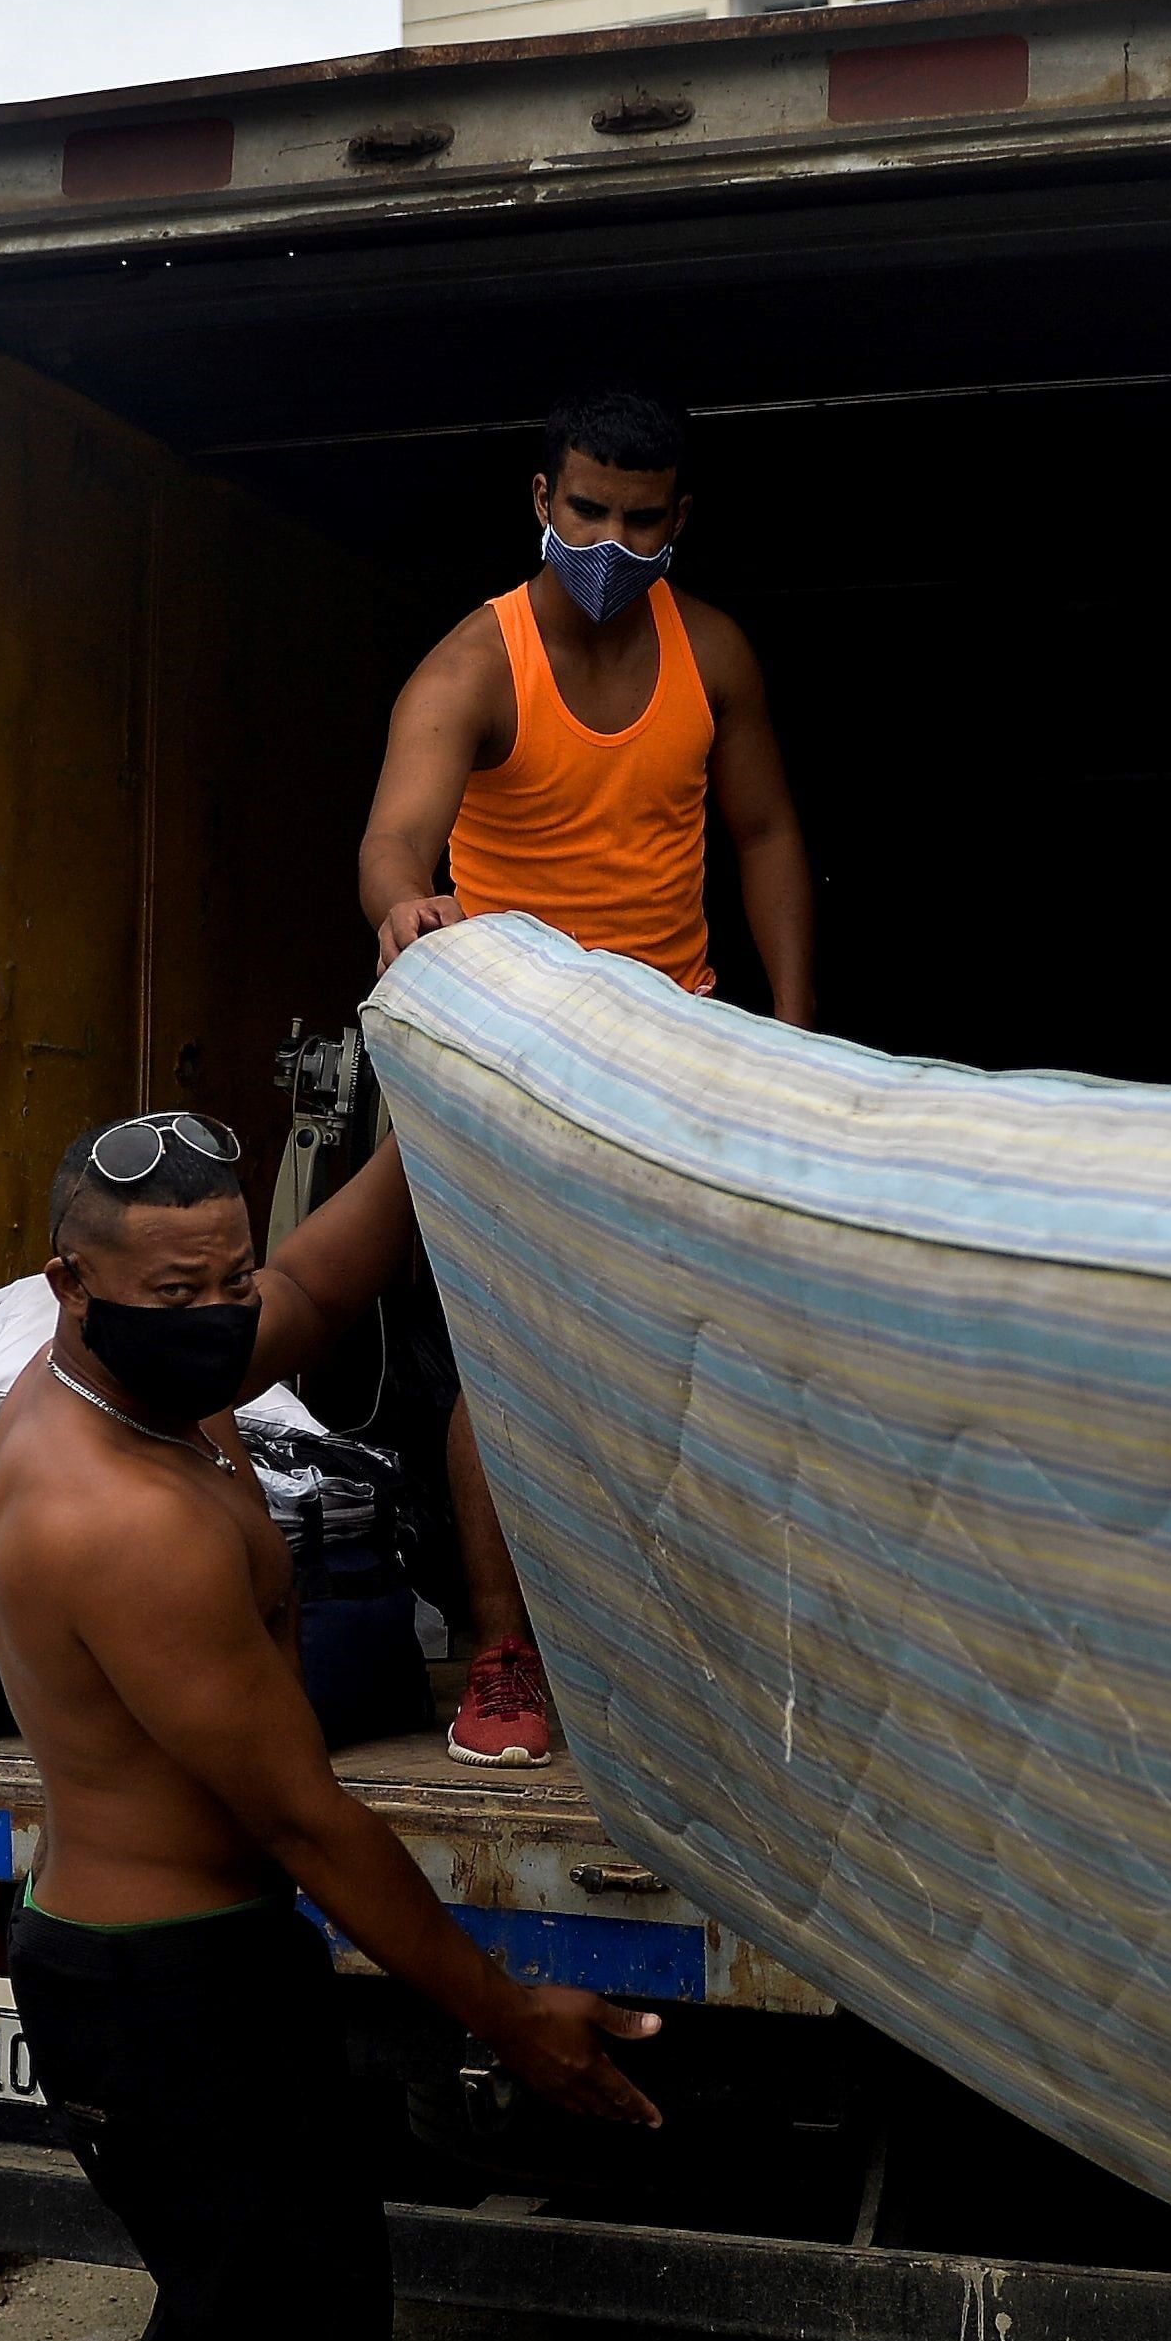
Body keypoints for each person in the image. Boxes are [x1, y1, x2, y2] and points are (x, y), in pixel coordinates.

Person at [0, 1111, 665, 2341]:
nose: (218, 1313)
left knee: (236, 2328)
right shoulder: (114, 1508)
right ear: (71, 1287)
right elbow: (314, 1827)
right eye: (175, 1289)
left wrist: (432, 1080)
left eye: (226, 1275)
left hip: (180, 1969)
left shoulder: (159, 1358)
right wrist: (508, 2014)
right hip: (170, 1990)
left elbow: (324, 1279)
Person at [356, 384, 814, 1770]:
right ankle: (504, 1653)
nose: (611, 540)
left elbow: (767, 831)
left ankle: (689, 1651)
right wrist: (405, 909)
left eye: (641, 517)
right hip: (517, 1058)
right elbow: (393, 841)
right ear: (540, 500)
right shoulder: (472, 664)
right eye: (588, 510)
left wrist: (790, 1025)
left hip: (672, 1048)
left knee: (699, 1359)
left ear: (680, 519)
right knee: (509, 1368)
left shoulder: (711, 650)